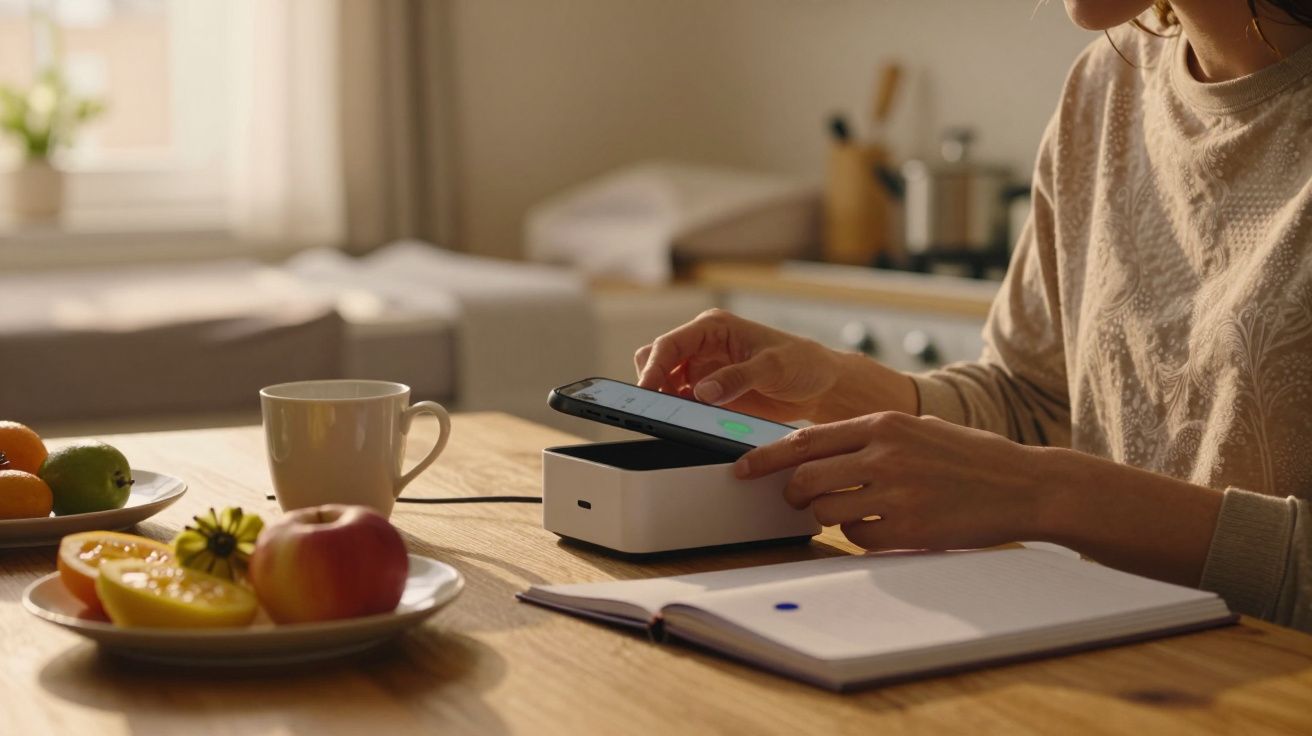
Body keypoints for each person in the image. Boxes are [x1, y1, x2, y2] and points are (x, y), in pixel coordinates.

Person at [634, 0, 1312, 632]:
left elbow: (1037, 471)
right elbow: (1033, 400)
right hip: (1118, 653)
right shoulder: (1108, 84)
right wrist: (834, 384)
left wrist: (1046, 493)